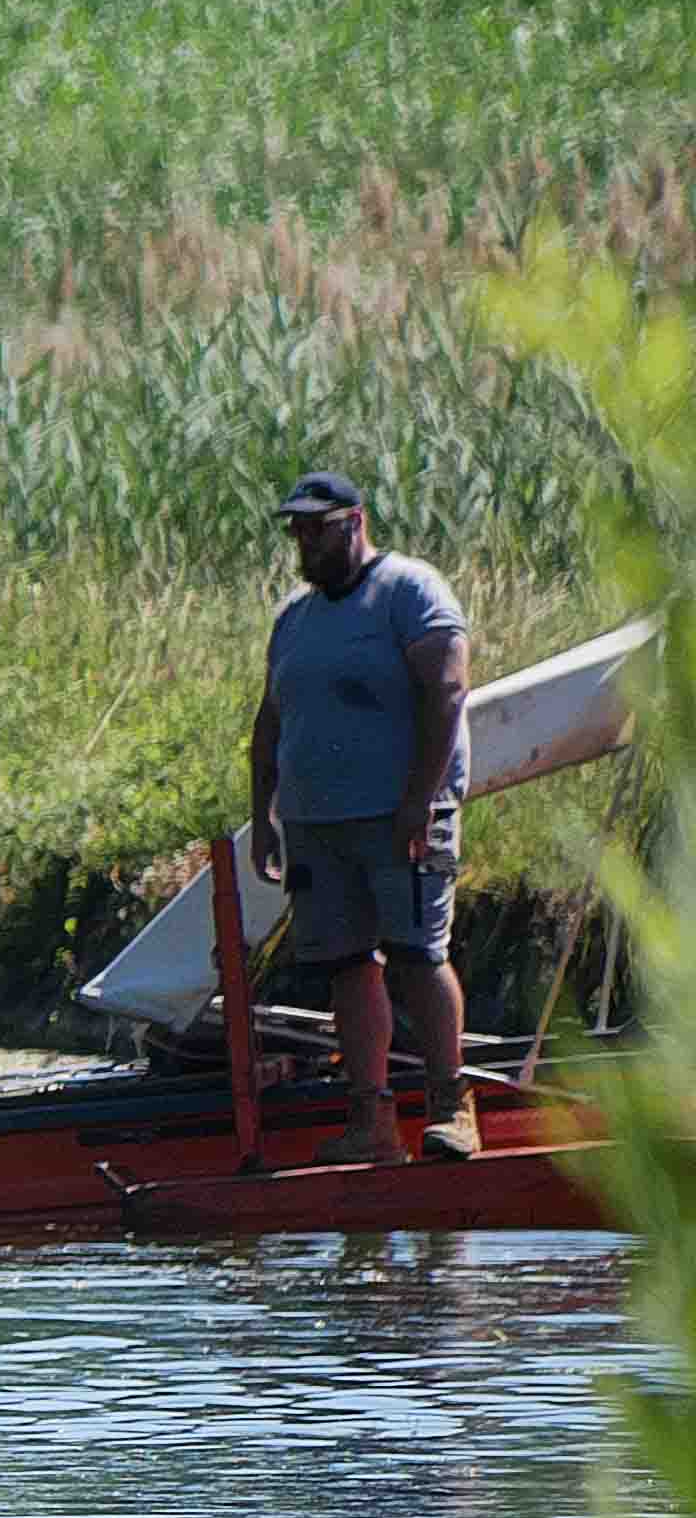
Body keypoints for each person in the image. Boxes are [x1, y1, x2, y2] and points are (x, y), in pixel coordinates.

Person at [247, 469, 476, 1163]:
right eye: (297, 531)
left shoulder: (409, 591)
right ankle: (371, 1124)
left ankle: (452, 1108)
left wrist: (419, 802)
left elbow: (447, 692)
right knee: (347, 964)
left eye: (316, 528)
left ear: (355, 522)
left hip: (399, 817)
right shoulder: (295, 618)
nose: (304, 542)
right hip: (319, 825)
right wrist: (263, 815)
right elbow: (270, 721)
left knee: (416, 955)